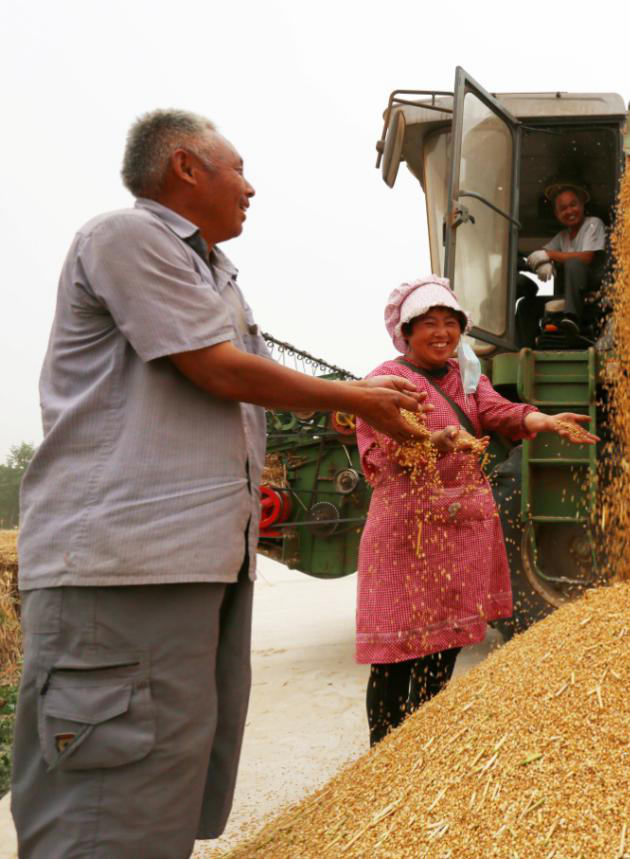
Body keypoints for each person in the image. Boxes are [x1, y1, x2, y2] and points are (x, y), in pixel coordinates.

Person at [11, 109, 430, 858]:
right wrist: (355, 397)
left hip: (190, 561)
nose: (251, 188)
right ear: (184, 167)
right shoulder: (126, 237)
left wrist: (337, 413)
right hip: (124, 568)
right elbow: (214, 368)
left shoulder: (214, 272)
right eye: (238, 169)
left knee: (162, 776)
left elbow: (233, 391)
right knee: (106, 791)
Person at [356, 277, 598, 744]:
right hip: (406, 536)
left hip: (457, 536)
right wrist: (432, 441)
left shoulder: (467, 379)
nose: (442, 332)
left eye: (451, 322)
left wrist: (544, 420)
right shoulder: (387, 379)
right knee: (395, 655)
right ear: (406, 332)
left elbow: (502, 412)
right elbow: (387, 437)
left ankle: (422, 749)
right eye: (430, 323)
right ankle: (383, 756)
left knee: (441, 648)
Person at [521, 182, 607, 344]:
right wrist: (543, 263)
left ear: (582, 205)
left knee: (573, 264)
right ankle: (527, 344)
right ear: (556, 214)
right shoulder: (562, 236)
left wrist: (549, 255)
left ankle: (572, 319)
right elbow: (538, 254)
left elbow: (587, 257)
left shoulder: (593, 224)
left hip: (593, 289)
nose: (569, 211)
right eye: (563, 209)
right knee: (527, 305)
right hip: (569, 295)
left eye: (573, 205)